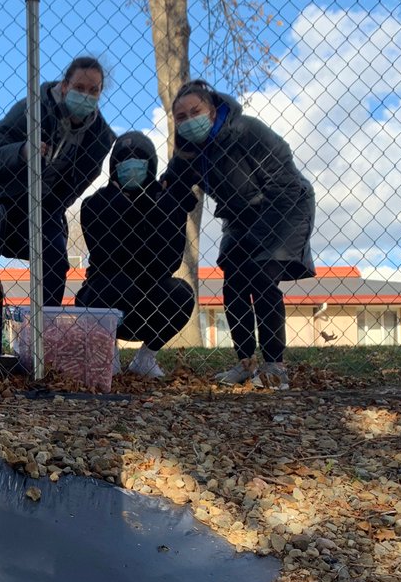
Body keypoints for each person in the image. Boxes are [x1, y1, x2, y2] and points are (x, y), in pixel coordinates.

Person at [0, 57, 115, 336]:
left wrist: (48, 212)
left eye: (94, 91)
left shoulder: (99, 138)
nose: (86, 96)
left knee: (55, 254)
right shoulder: (32, 110)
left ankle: (42, 331)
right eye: (79, 87)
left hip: (41, 203)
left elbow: (74, 187)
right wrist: (22, 151)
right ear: (65, 86)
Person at [164, 79, 315, 390]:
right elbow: (173, 185)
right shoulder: (189, 151)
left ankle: (275, 365)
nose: (190, 120)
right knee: (233, 285)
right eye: (181, 117)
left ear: (212, 108)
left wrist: (260, 238)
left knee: (261, 278)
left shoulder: (245, 130)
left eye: (196, 111)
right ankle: (245, 363)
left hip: (284, 204)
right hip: (239, 216)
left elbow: (283, 180)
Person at [75, 131, 195, 378]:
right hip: (105, 298)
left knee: (181, 293)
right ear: (113, 166)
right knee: (115, 283)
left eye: (139, 158)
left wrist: (152, 211)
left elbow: (168, 261)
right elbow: (107, 256)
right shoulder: (95, 204)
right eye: (124, 158)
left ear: (150, 164)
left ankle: (145, 358)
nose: (131, 165)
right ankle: (109, 355)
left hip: (149, 297)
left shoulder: (167, 203)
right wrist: (121, 205)